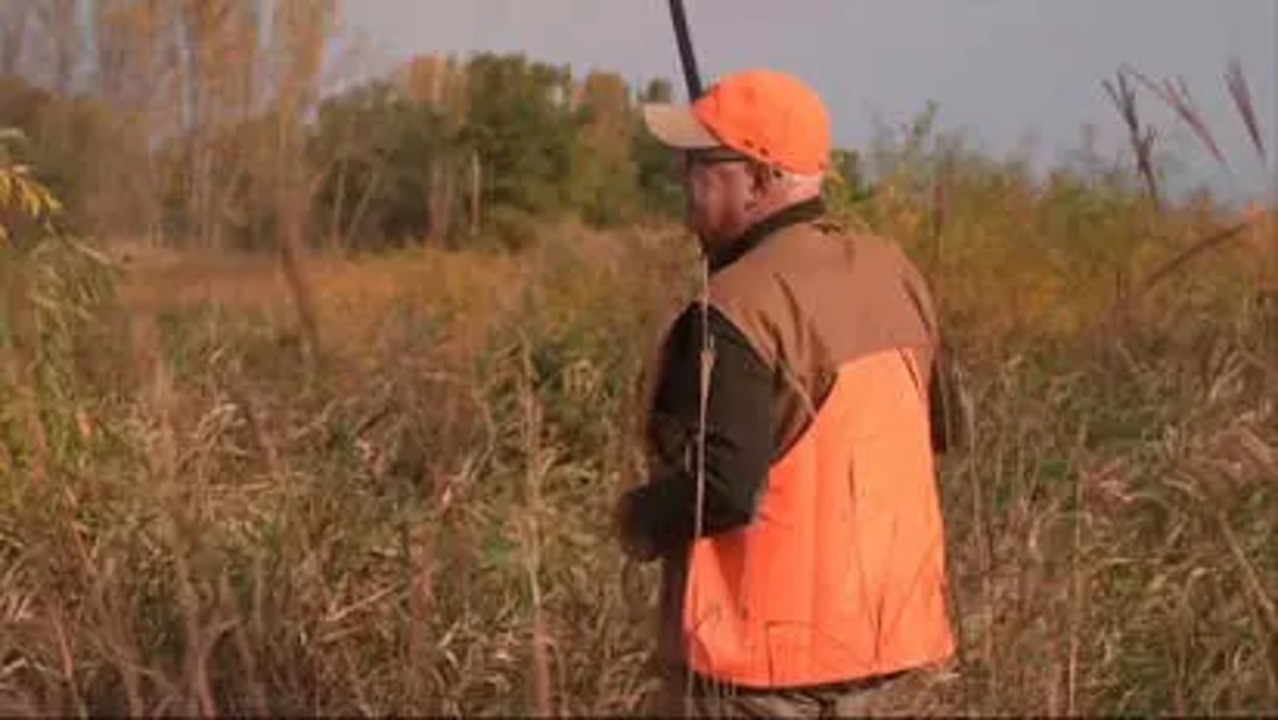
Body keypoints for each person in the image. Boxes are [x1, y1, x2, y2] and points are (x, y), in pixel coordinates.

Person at [613, 68, 957, 717]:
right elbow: (935, 435)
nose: (683, 180)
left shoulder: (736, 308)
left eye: (702, 163)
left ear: (762, 180)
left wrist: (635, 518)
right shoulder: (896, 275)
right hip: (887, 655)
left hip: (758, 673)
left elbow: (721, 486)